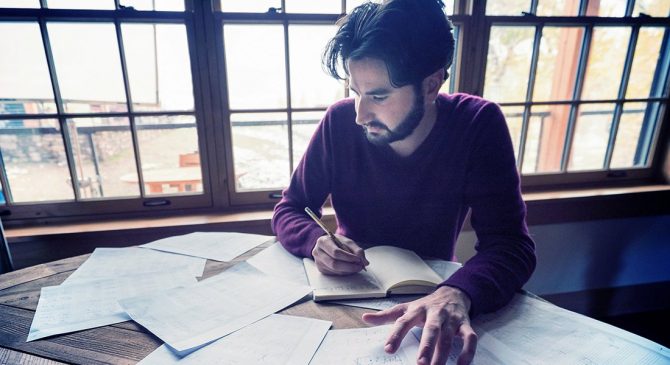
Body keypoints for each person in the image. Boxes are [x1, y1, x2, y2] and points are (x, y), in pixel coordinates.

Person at [271, 0, 536, 364]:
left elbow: (511, 246)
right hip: (344, 291)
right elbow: (290, 207)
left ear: (431, 85)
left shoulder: (477, 124)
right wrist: (318, 241)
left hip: (433, 291)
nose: (360, 114)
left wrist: (459, 292)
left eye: (378, 96)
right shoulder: (339, 122)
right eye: (355, 92)